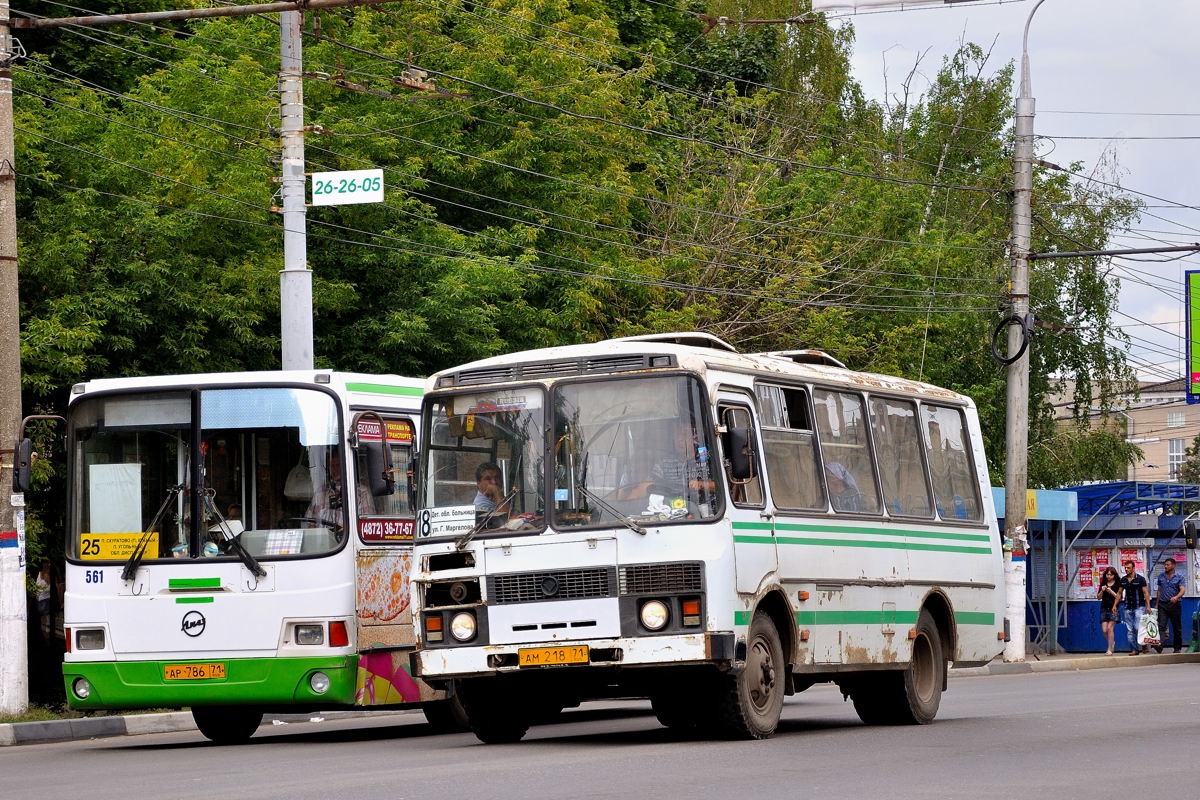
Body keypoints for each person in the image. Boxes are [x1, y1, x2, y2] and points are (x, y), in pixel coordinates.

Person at [618, 421, 716, 505]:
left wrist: (701, 484)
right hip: (675, 512)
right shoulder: (664, 463)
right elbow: (646, 486)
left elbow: (722, 487)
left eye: (684, 434)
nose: (679, 439)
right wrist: (625, 506)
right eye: (676, 434)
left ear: (695, 437)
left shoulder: (707, 458)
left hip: (707, 515)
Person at [1152, 557, 1186, 653]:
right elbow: (1159, 590)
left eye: (1168, 565)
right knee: (1161, 625)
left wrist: (1176, 597)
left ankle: (1177, 647)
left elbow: (1182, 590)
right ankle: (1160, 645)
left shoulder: (1179, 577)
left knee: (1176, 626)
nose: (1166, 566)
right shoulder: (1161, 576)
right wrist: (1157, 604)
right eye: (1165, 565)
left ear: (1174, 565)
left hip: (1174, 604)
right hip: (1162, 604)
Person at [1118, 559, 1151, 655]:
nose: (1126, 569)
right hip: (1127, 607)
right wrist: (1115, 605)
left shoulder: (1140, 579)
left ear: (1133, 568)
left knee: (1137, 627)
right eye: (1125, 568)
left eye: (1128, 568)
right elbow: (1119, 593)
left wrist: (1148, 606)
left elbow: (1145, 592)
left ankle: (1144, 644)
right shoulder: (1123, 579)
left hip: (1139, 607)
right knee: (1130, 630)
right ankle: (1134, 650)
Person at [473, 461, 510, 527]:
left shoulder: (498, 498)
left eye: (497, 477)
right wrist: (497, 493)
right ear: (478, 484)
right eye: (488, 479)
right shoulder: (481, 506)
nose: (494, 482)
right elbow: (507, 521)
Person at [1095, 566, 1122, 655]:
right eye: (1107, 574)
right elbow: (1098, 598)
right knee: (1104, 630)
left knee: (1110, 628)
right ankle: (1112, 642)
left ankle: (1110, 649)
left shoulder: (1118, 584)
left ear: (1114, 575)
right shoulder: (1103, 583)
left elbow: (1119, 598)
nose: (1109, 576)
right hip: (1104, 608)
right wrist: (1102, 591)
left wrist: (1111, 591)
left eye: (1111, 574)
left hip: (1114, 608)